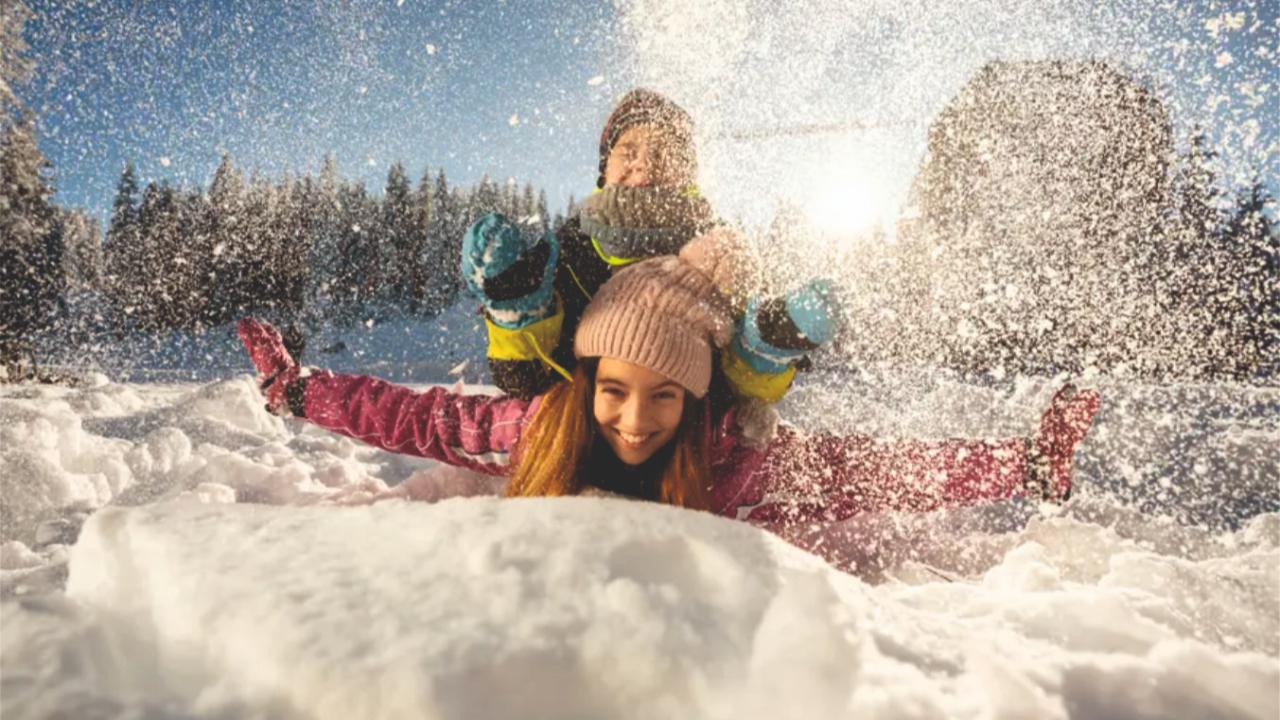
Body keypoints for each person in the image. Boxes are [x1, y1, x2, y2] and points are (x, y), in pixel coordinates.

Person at [238, 253, 1100, 528]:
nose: (634, 419)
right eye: (614, 389)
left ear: (697, 401)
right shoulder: (540, 428)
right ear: (587, 381)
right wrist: (298, 392)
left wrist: (1024, 462)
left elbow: (877, 474)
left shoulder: (739, 459)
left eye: (664, 396)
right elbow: (419, 417)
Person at [463, 88, 833, 408]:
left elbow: (741, 401)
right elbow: (525, 385)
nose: (643, 163)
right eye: (628, 150)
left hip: (690, 457)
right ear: (604, 168)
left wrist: (763, 352)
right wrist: (518, 315)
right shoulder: (568, 251)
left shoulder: (723, 254)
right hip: (576, 440)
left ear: (688, 172)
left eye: (664, 152)